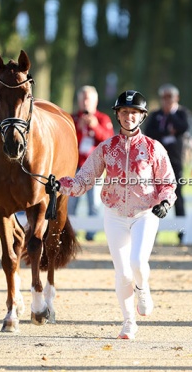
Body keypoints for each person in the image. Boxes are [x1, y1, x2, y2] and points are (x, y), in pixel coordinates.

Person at [48, 90, 177, 340]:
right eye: (125, 112)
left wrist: (165, 201)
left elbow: (168, 182)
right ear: (118, 115)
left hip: (145, 212)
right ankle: (129, 322)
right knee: (122, 272)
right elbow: (84, 179)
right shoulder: (106, 148)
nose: (129, 117)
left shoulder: (154, 148)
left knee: (138, 263)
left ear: (142, 116)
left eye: (134, 112)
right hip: (114, 213)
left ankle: (143, 288)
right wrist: (60, 185)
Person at [144, 83, 191, 243]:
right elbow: (149, 133)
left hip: (175, 161)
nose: (166, 100)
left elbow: (184, 127)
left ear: (176, 98)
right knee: (154, 195)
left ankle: (181, 232)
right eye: (163, 97)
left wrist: (170, 118)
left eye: (169, 97)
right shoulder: (156, 115)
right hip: (156, 163)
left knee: (177, 195)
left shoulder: (182, 113)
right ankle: (153, 232)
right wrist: (167, 131)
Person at [69, 85, 114, 241]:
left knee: (94, 204)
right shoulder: (72, 119)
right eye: (83, 99)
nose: (86, 102)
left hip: (95, 168)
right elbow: (68, 143)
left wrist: (95, 126)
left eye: (88, 98)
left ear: (96, 101)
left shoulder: (103, 119)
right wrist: (80, 129)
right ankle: (71, 233)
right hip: (75, 167)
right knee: (71, 203)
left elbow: (109, 142)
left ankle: (91, 234)